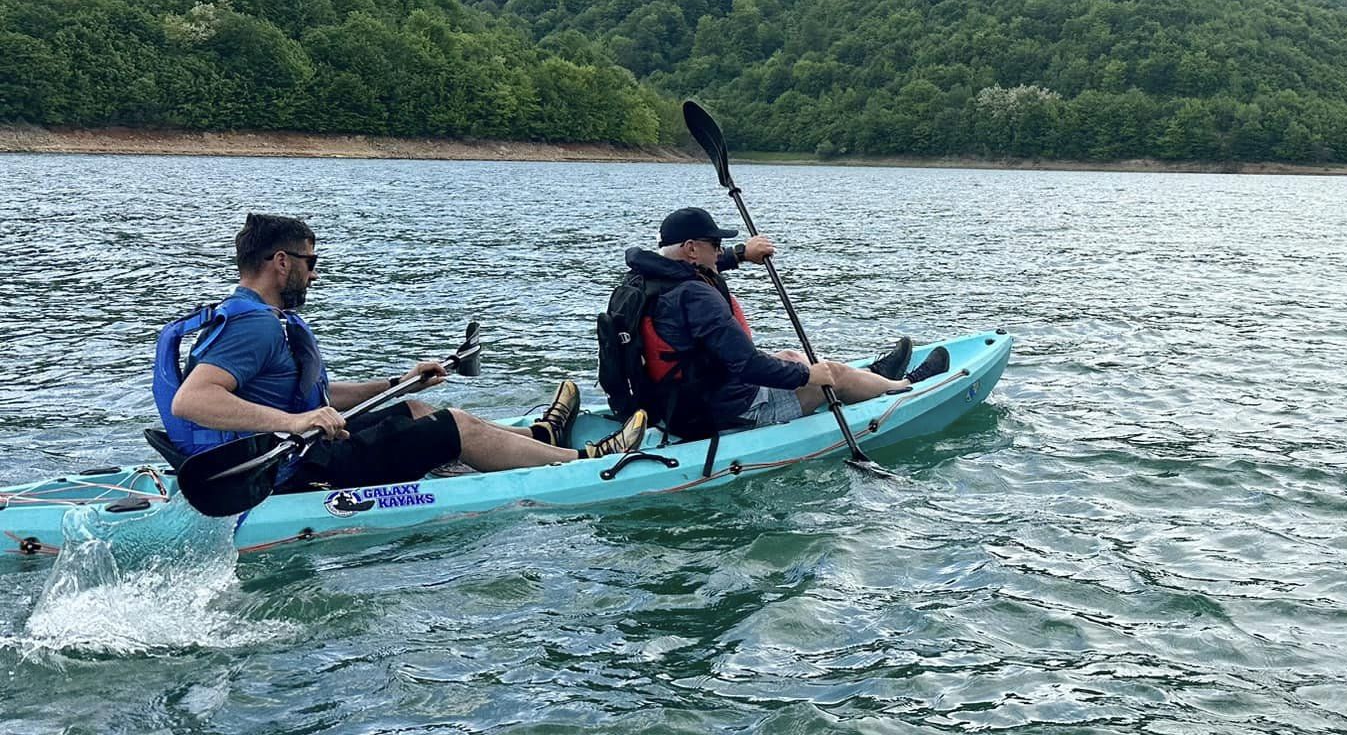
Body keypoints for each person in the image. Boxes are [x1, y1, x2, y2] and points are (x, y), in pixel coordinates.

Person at [155, 213, 645, 492]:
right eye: (311, 261)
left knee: (413, 408)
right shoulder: (252, 326)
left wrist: (396, 383)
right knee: (454, 426)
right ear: (281, 262)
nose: (315, 273)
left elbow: (313, 396)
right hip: (291, 465)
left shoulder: (259, 317)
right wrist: (294, 424)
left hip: (296, 449)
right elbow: (193, 401)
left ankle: (539, 435)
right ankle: (582, 459)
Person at [622, 207, 948, 437]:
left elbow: (701, 265)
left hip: (673, 404)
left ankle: (872, 379)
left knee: (791, 355)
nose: (718, 251)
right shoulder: (697, 297)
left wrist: (739, 254)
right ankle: (905, 386)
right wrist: (810, 375)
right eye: (715, 245)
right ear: (692, 248)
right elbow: (749, 366)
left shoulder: (646, 279)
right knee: (829, 374)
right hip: (722, 412)